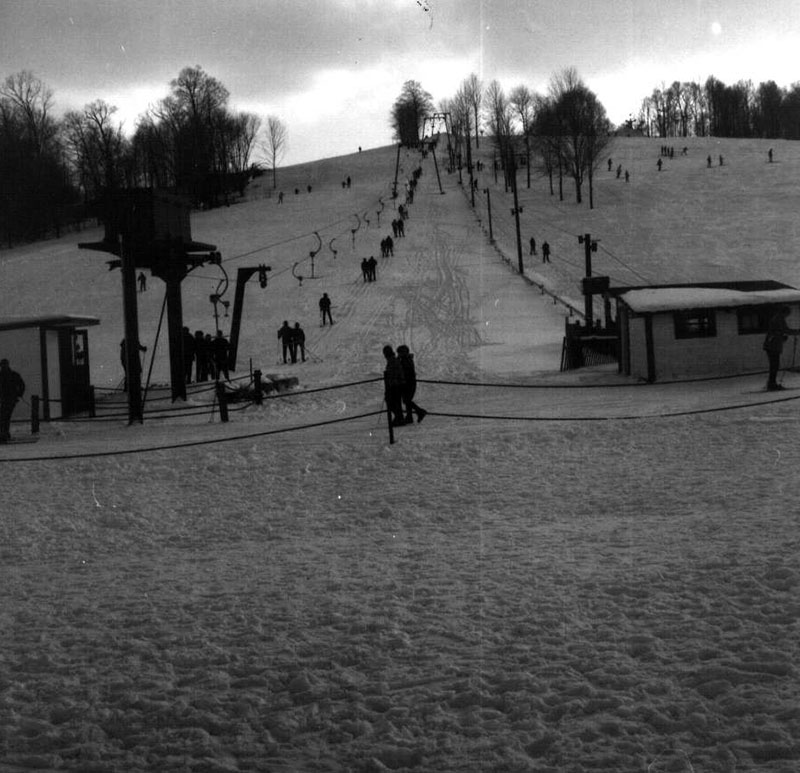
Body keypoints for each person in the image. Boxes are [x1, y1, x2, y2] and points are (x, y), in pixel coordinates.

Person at [763, 306, 799, 391]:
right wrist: (797, 332)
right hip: (773, 346)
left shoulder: (777, 318)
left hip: (772, 345)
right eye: (787, 314)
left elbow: (777, 331)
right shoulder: (779, 319)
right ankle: (772, 384)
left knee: (774, 365)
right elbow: (784, 330)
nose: (787, 316)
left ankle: (771, 383)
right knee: (774, 365)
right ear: (785, 312)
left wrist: (782, 338)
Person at [396, 345, 427, 424]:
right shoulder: (407, 359)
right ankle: (410, 416)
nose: (399, 354)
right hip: (409, 382)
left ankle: (419, 411)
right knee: (407, 399)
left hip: (408, 383)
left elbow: (404, 371)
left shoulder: (405, 360)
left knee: (407, 400)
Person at [0, 359, 25, 442]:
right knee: (5, 417)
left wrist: (18, 394)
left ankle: (4, 434)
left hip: (9, 399)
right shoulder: (13, 375)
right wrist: (19, 394)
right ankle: (5, 434)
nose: (3, 366)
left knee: (4, 417)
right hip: (7, 399)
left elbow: (21, 385)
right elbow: (22, 385)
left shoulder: (13, 375)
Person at [382, 345, 406, 427]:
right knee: (396, 402)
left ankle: (398, 418)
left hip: (395, 385)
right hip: (397, 384)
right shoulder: (393, 360)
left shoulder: (392, 361)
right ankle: (399, 418)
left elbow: (394, 373)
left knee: (392, 401)